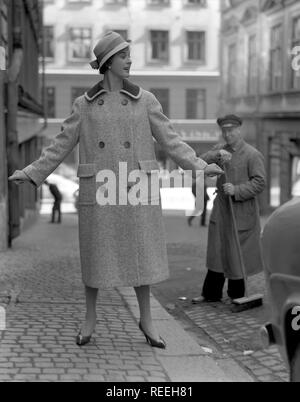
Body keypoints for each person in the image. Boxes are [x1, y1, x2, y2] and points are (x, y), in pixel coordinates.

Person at [9, 31, 223, 348]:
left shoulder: (146, 101)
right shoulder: (84, 105)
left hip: (137, 187)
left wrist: (200, 167)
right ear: (108, 62)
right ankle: (90, 318)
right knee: (97, 258)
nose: (130, 60)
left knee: (140, 258)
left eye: (129, 55)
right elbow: (60, 145)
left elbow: (171, 140)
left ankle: (147, 319)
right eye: (123, 56)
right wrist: (32, 171)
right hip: (100, 190)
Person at [192, 114, 266, 303]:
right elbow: (199, 163)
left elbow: (260, 182)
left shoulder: (252, 154)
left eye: (231, 130)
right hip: (222, 210)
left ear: (239, 130)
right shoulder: (220, 151)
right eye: (224, 131)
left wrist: (237, 189)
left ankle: (238, 294)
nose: (227, 134)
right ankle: (211, 293)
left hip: (241, 211)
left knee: (236, 254)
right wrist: (216, 156)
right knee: (216, 252)